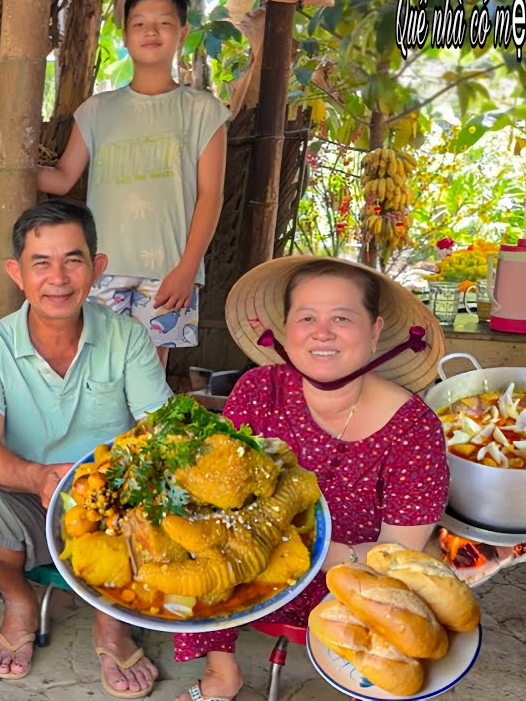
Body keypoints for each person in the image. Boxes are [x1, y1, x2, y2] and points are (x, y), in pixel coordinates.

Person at [171, 256, 449, 701]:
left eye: (342, 317)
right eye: (307, 318)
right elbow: (220, 494)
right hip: (252, 556)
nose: (322, 332)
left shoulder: (414, 427)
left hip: (352, 573)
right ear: (287, 329)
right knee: (189, 538)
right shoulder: (259, 390)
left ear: (375, 331)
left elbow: (396, 554)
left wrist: (307, 553)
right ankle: (222, 673)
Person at [0, 198, 169, 696]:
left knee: (162, 499)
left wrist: (113, 485)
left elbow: (158, 430)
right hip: (28, 495)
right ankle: (19, 600)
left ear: (96, 268)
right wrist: (38, 477)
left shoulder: (128, 337)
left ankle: (110, 620)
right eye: (41, 263)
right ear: (16, 272)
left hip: (116, 503)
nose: (58, 277)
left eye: (73, 260)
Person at [0, 0, 228, 367]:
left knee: (149, 375)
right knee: (92, 368)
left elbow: (211, 195)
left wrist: (186, 270)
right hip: (98, 268)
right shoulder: (97, 109)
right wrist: (7, 161)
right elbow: (62, 179)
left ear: (182, 33)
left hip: (167, 272)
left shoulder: (203, 111)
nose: (151, 32)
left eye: (164, 23)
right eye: (139, 23)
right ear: (125, 34)